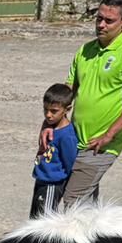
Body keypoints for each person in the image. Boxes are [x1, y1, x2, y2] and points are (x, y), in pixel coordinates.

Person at [50, 0, 122, 208]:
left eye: (109, 20)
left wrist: (109, 135)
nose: (101, 25)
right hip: (73, 140)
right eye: (98, 18)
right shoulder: (86, 50)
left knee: (72, 204)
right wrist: (49, 126)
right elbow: (67, 93)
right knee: (85, 205)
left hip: (100, 146)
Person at [30, 83, 79, 219]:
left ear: (67, 109)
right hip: (41, 179)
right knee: (35, 218)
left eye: (53, 111)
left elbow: (69, 162)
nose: (48, 115)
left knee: (45, 220)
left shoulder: (66, 136)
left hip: (52, 184)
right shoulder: (51, 127)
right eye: (45, 110)